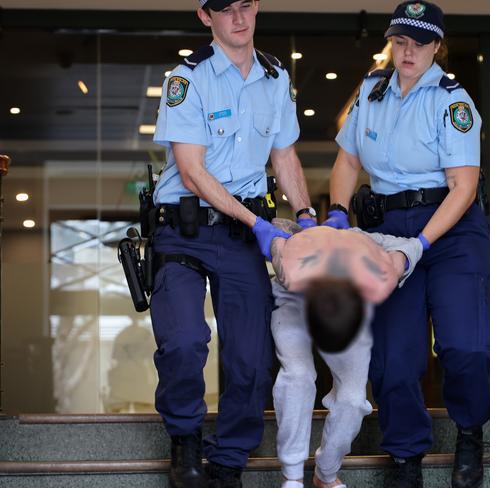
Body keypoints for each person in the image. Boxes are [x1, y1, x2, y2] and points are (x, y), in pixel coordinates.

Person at [325, 2, 490, 487]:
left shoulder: (453, 102)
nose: (407, 52)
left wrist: (418, 245)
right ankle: (405, 454)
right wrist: (338, 214)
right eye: (400, 41)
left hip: (449, 229)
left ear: (437, 47)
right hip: (385, 229)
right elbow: (346, 162)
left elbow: (464, 188)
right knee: (395, 358)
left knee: (466, 345)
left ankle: (470, 431)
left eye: (419, 44)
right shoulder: (371, 91)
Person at [150, 1, 316, 487]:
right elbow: (192, 172)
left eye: (246, 5)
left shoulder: (274, 77)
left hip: (242, 234)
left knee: (251, 356)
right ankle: (184, 439)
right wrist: (258, 223)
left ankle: (229, 461)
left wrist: (305, 214)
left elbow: (284, 156)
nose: (238, 18)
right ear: (205, 17)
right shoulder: (187, 79)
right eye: (225, 10)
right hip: (183, 229)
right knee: (184, 341)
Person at [267, 219, 424, 488]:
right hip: (293, 300)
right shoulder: (292, 262)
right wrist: (285, 236)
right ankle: (291, 475)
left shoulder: (367, 253)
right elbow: (277, 230)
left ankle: (325, 475)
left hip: (349, 298)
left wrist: (400, 261)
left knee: (353, 399)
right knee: (299, 375)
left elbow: (412, 244)